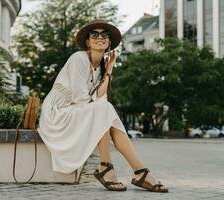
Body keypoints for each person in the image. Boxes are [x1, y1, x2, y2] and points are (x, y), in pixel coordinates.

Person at [37, 19, 168, 193]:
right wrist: (99, 107)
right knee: (103, 110)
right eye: (94, 34)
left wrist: (109, 69)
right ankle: (109, 167)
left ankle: (138, 171)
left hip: (76, 111)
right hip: (57, 113)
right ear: (87, 41)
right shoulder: (78, 58)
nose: (99, 37)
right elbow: (81, 98)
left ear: (108, 43)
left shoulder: (100, 69)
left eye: (104, 35)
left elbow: (100, 97)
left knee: (104, 110)